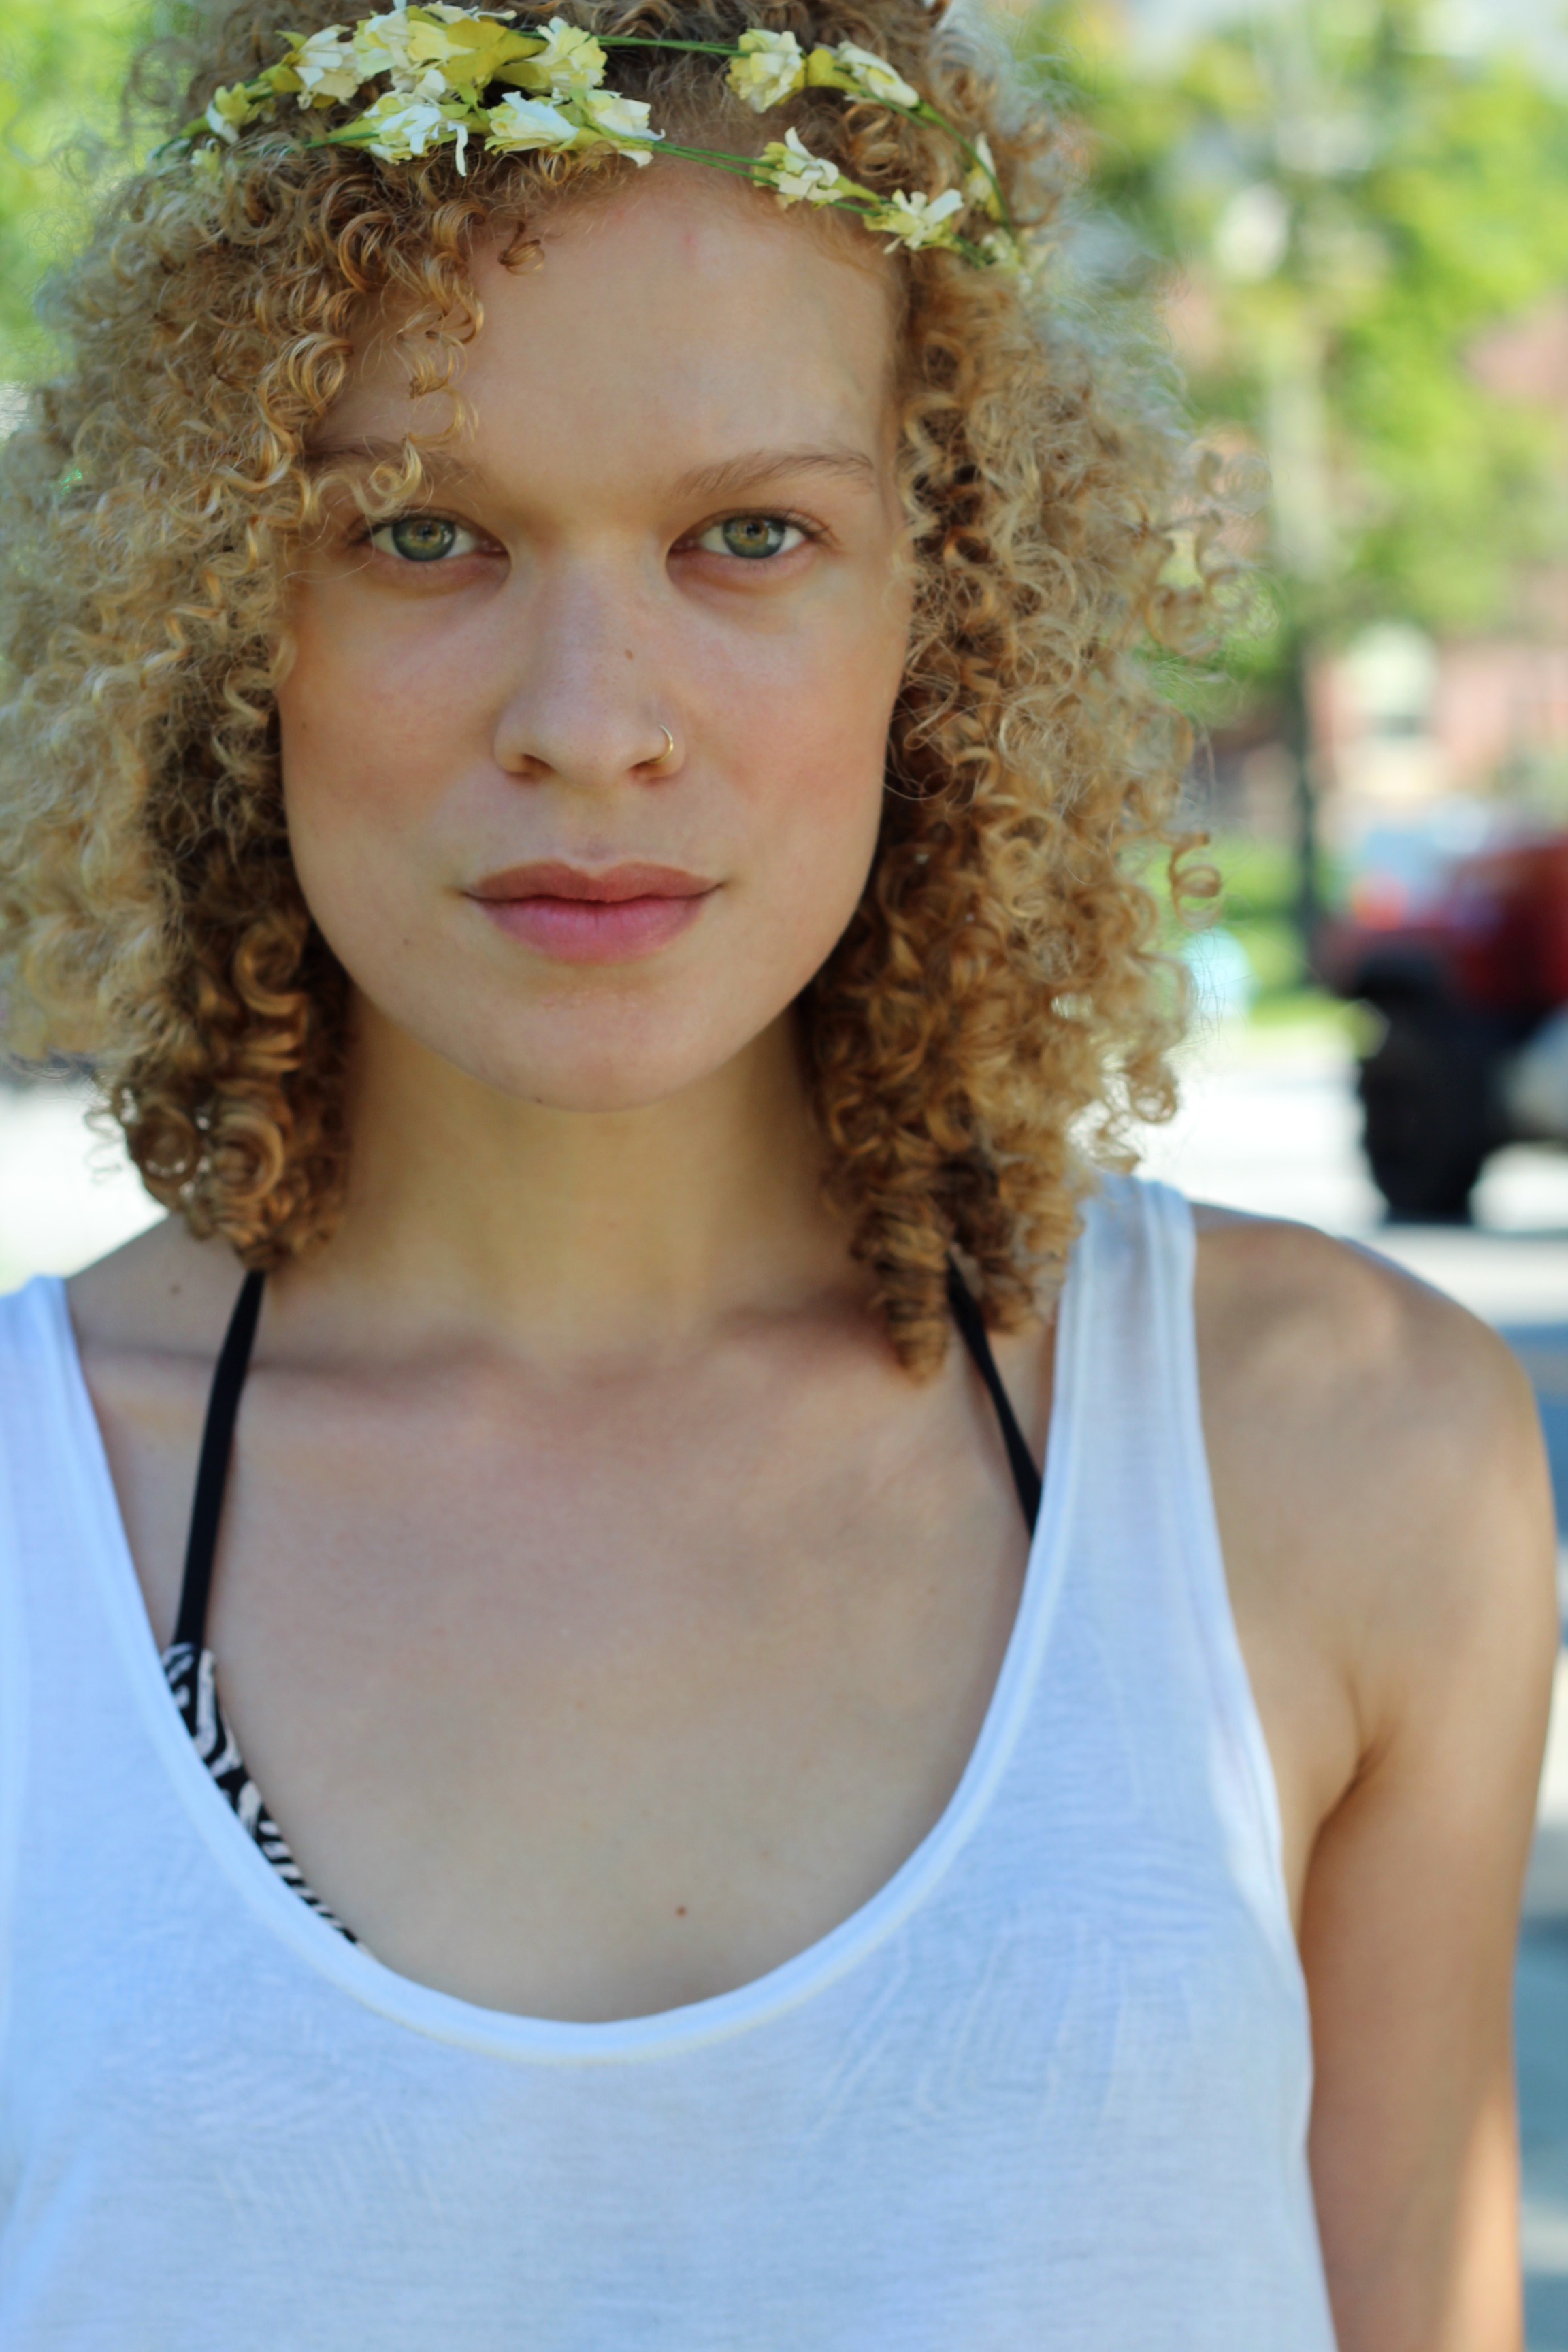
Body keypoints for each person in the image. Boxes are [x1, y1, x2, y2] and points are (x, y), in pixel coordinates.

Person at [0, 1, 1555, 2343]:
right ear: (228, 607)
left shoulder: (1344, 1457)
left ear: (943, 607)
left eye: (751, 534)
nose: (589, 722)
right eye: (420, 532)